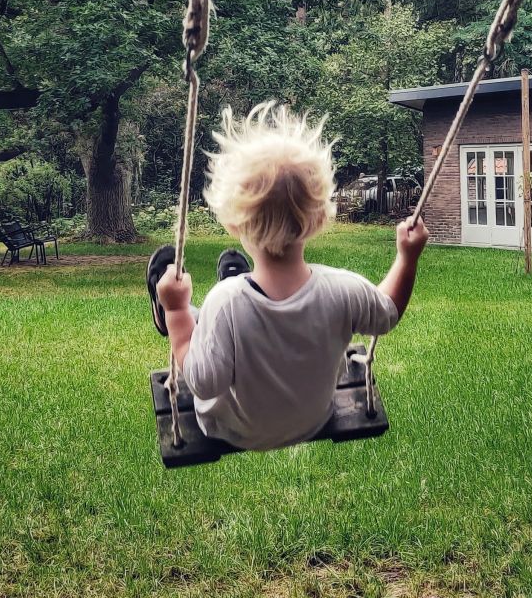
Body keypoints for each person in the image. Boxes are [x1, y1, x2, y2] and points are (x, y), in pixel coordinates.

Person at [146, 102, 428, 451]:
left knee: (200, 319)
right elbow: (387, 312)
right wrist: (408, 258)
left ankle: (182, 308)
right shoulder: (343, 289)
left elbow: (204, 382)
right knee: (224, 313)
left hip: (236, 428)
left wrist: (175, 312)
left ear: (233, 224)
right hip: (312, 420)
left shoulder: (227, 304)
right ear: (321, 218)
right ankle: (233, 279)